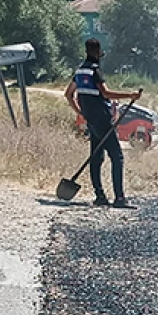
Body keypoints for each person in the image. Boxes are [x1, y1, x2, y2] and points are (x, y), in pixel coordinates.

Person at [64, 38, 142, 209]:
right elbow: (106, 94)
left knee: (96, 157)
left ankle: (100, 196)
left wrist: (80, 113)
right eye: (100, 53)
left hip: (91, 120)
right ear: (97, 52)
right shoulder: (95, 71)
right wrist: (130, 95)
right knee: (117, 157)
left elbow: (68, 94)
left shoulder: (79, 72)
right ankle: (119, 198)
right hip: (103, 120)